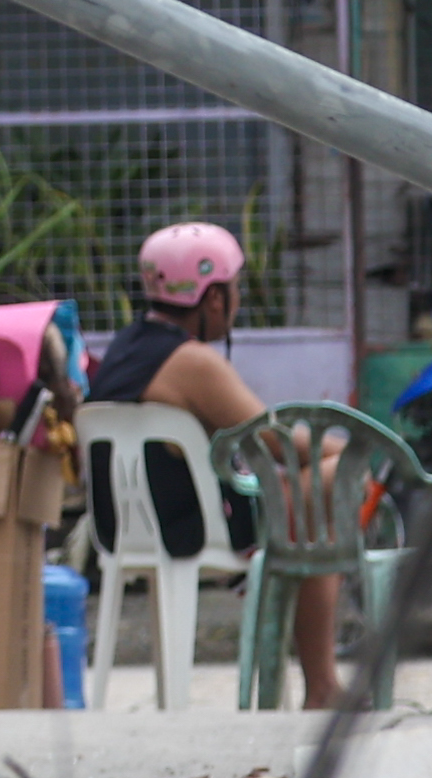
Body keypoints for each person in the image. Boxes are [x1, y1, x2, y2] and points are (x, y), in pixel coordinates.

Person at [77, 219, 330, 697]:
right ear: (214, 298)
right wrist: (364, 448)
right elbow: (279, 445)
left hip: (119, 530)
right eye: (234, 289)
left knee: (309, 492)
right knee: (322, 484)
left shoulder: (125, 348)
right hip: (194, 527)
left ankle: (319, 682)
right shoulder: (192, 363)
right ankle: (321, 685)